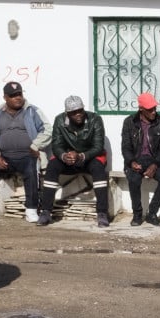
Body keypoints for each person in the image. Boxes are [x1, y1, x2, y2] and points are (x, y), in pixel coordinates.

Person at [39, 95, 113, 227]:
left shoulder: (95, 119)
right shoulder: (60, 120)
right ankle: (45, 211)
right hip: (69, 159)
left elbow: (98, 146)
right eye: (73, 113)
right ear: (67, 113)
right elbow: (56, 145)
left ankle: (102, 213)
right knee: (52, 166)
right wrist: (64, 156)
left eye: (80, 110)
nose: (78, 114)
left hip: (89, 158)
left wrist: (81, 156)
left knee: (98, 168)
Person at [0, 82, 46, 223]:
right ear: (5, 98)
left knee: (31, 170)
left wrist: (35, 145)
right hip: (4, 157)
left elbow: (47, 130)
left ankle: (31, 209)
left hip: (27, 155)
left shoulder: (32, 111)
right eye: (13, 95)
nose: (17, 98)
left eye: (19, 94)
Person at [120, 92, 160, 226]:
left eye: (155, 108)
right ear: (141, 109)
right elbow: (125, 146)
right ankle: (137, 214)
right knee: (134, 179)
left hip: (155, 160)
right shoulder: (129, 122)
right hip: (135, 159)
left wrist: (155, 165)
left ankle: (152, 213)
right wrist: (131, 162)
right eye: (150, 109)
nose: (154, 112)